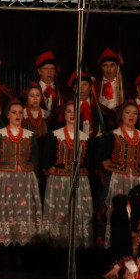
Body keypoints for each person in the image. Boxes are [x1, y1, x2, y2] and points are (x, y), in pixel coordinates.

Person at [96, 101, 140, 248]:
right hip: (117, 179)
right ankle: (114, 249)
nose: (131, 116)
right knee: (116, 212)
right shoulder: (112, 136)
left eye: (135, 113)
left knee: (137, 214)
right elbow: (102, 160)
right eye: (128, 112)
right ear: (121, 115)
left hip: (138, 181)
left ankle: (137, 248)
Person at [0, 100, 41, 245]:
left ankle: (23, 243)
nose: (18, 115)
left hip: (25, 179)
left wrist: (28, 168)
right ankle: (5, 244)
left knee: (23, 211)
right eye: (14, 112)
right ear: (8, 115)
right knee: (6, 208)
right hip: (5, 179)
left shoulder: (30, 135)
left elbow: (35, 158)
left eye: (21, 112)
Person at [40, 101, 94, 247]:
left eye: (75, 112)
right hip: (59, 180)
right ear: (64, 115)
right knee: (59, 212)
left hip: (79, 181)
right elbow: (46, 159)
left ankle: (78, 245)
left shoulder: (86, 138)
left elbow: (89, 161)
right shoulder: (54, 136)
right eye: (69, 111)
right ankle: (57, 243)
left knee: (77, 211)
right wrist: (50, 170)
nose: (72, 115)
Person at [96, 48, 125, 129]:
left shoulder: (124, 86)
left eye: (112, 65)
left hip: (120, 126)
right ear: (101, 67)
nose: (109, 69)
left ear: (117, 67)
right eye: (105, 65)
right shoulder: (95, 86)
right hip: (99, 126)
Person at [35, 51, 62, 116]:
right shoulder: (32, 89)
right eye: (46, 69)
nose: (49, 72)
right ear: (39, 71)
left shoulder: (60, 91)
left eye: (52, 69)